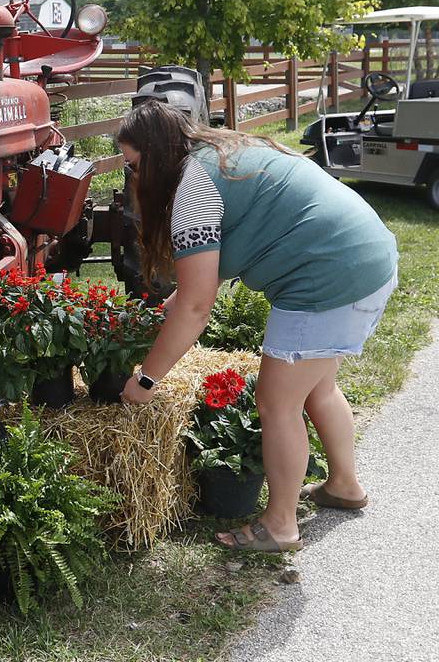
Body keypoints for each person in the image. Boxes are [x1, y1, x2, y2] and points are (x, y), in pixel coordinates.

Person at [118, 99, 398, 553]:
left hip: (326, 276)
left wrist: (145, 380)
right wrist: (171, 306)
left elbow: (196, 307)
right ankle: (344, 485)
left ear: (154, 155)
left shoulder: (192, 189)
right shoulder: (223, 152)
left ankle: (281, 525)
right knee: (318, 389)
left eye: (132, 165)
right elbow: (204, 276)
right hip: (366, 254)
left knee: (276, 403)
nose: (132, 178)